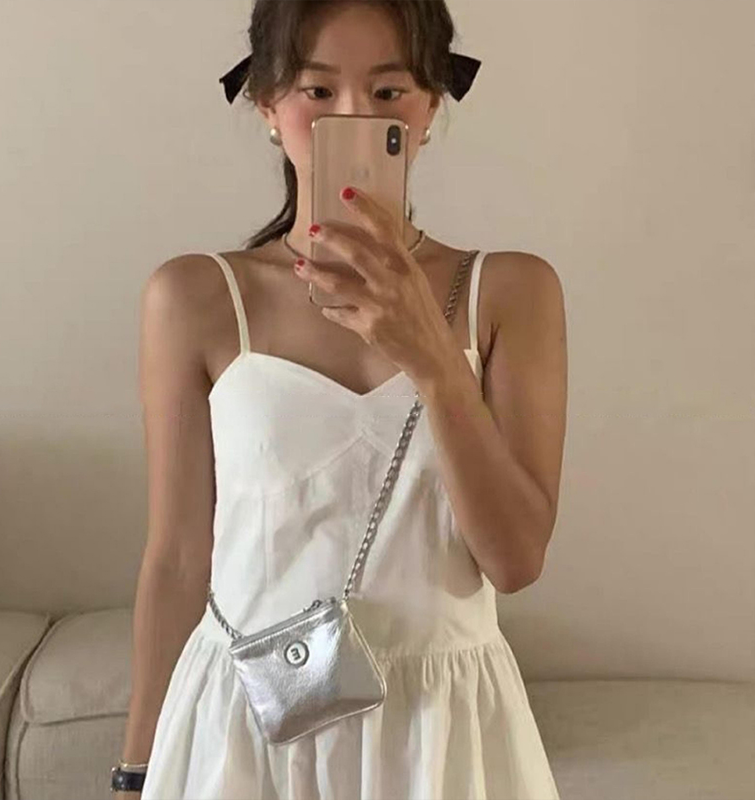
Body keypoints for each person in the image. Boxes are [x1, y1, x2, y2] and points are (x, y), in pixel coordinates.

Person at [113, 0, 567, 797]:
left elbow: (515, 560)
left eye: (388, 92)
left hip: (443, 733)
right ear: (267, 104)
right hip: (246, 724)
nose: (352, 116)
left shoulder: (509, 291)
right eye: (317, 91)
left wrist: (432, 356)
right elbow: (178, 559)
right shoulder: (194, 297)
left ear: (430, 109)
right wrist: (135, 771)